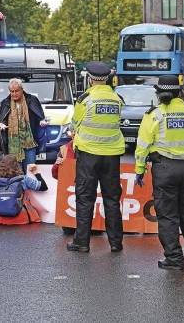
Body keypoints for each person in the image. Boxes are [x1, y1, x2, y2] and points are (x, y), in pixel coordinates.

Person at [134, 75, 184, 270]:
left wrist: (139, 170)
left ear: (158, 93)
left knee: (167, 216)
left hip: (165, 169)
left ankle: (174, 258)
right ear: (179, 92)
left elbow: (142, 145)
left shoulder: (154, 115)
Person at [67, 61, 125, 253]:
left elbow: (74, 124)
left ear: (91, 80)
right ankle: (116, 242)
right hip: (111, 155)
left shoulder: (85, 100)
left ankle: (81, 242)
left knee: (85, 198)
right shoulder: (117, 99)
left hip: (88, 154)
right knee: (112, 198)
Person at [0, 78, 48, 172]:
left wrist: (41, 121)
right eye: (12, 91)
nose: (14, 93)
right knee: (16, 172)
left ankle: (30, 187)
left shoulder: (32, 99)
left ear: (22, 89)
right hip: (13, 144)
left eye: (16, 91)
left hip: (29, 142)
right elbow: (1, 119)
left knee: (30, 171)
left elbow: (40, 116)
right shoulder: (5, 102)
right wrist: (2, 125)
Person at [0, 155, 47, 224]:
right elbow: (43, 187)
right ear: (17, 165)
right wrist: (36, 173)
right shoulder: (23, 179)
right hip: (20, 218)